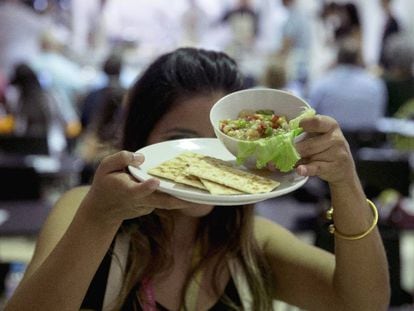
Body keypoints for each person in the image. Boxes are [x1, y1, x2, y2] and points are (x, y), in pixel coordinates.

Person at [4, 47, 390, 310]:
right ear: (143, 140)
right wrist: (98, 218)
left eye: (220, 141)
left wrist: (345, 181)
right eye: (180, 142)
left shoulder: (251, 246)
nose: (207, 161)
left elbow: (363, 303)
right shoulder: (85, 212)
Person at [307, 38, 386, 132]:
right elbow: (379, 113)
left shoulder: (322, 83)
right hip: (369, 141)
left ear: (337, 58)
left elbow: (309, 113)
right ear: (359, 59)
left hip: (330, 141)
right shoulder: (375, 84)